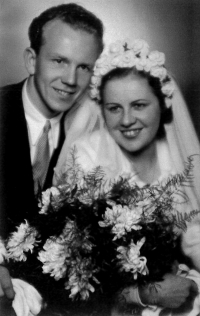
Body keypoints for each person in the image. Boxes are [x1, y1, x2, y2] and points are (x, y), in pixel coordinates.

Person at [54, 39, 200, 315]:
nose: (126, 120)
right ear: (102, 110)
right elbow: (74, 269)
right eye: (114, 108)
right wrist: (146, 294)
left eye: (139, 105)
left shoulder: (179, 154)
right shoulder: (87, 158)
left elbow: (194, 232)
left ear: (163, 103)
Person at [0, 2, 104, 312]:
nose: (71, 79)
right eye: (59, 60)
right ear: (32, 60)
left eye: (83, 66)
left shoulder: (96, 129)